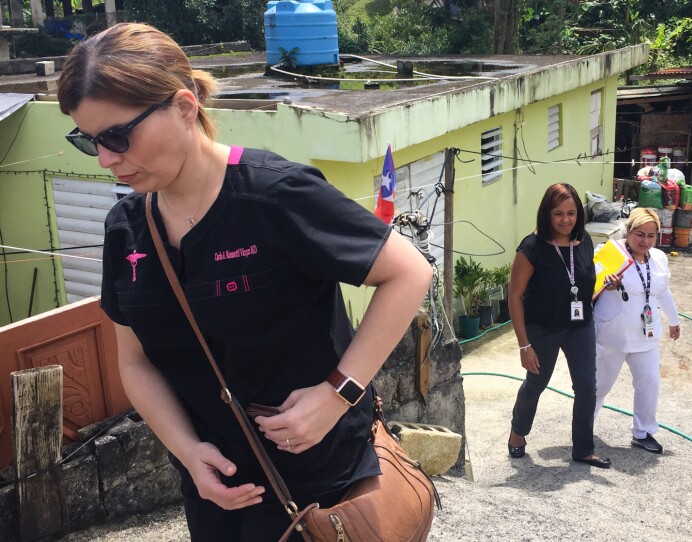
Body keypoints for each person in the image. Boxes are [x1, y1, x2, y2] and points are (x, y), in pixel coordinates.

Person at [57, 23, 432, 541]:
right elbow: (134, 361)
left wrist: (336, 395)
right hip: (216, 492)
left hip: (325, 483)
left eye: (119, 136)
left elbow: (409, 272)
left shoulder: (276, 195)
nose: (105, 159)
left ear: (184, 107)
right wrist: (188, 453)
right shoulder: (125, 229)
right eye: (89, 140)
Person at [507, 183, 611, 468]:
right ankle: (518, 433)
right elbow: (514, 295)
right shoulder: (532, 248)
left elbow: (583, 280)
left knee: (588, 387)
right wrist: (524, 344)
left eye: (571, 213)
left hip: (580, 326)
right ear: (546, 214)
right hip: (543, 327)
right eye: (558, 214)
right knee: (536, 383)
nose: (566, 220)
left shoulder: (585, 240)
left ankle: (583, 449)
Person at [594, 207, 681, 454]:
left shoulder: (659, 259)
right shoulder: (610, 252)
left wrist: (674, 320)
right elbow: (590, 280)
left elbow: (662, 291)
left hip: (646, 335)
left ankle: (643, 432)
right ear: (628, 230)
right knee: (600, 385)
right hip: (613, 335)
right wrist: (605, 283)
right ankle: (582, 429)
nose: (645, 241)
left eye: (651, 236)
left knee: (650, 383)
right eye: (639, 234)